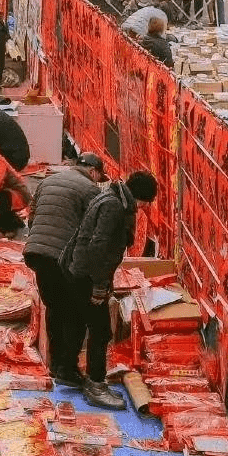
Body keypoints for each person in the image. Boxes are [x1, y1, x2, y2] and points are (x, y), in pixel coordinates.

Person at [62, 169, 159, 409]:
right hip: (87, 275)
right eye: (146, 203)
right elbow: (99, 247)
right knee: (101, 330)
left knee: (79, 321)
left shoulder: (109, 197)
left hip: (79, 270)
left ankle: (66, 369)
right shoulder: (115, 207)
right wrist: (99, 286)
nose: (145, 209)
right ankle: (96, 385)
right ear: (140, 197)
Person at [23, 152, 105, 385]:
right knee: (75, 311)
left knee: (54, 307)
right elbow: (93, 232)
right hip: (63, 257)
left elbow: (32, 217)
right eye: (99, 177)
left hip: (37, 252)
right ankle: (67, 369)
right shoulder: (90, 190)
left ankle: (55, 363)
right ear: (93, 172)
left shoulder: (48, 180)